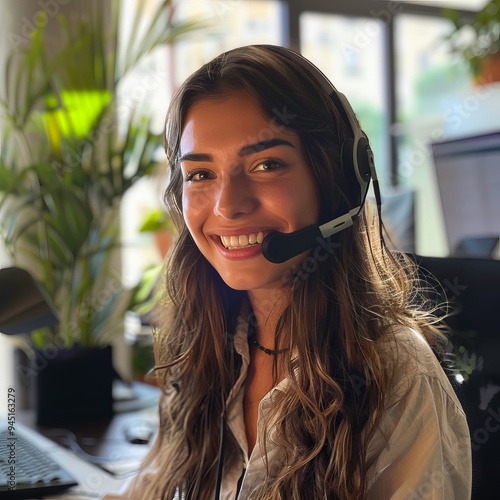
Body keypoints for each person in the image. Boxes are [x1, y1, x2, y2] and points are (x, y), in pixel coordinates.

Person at [106, 44, 472, 499]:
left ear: (336, 181)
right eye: (200, 174)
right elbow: (149, 487)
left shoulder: (393, 375)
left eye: (266, 165)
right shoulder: (207, 344)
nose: (227, 206)